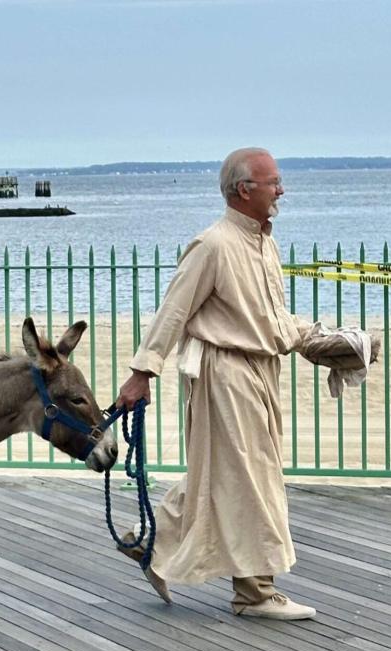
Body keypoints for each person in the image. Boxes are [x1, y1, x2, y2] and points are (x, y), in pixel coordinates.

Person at [116, 147, 316, 620]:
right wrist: (142, 373)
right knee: (251, 477)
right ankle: (254, 592)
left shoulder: (264, 243)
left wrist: (314, 337)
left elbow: (267, 316)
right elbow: (174, 311)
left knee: (226, 471)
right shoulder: (213, 245)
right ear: (244, 189)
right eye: (273, 182)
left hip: (261, 370)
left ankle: (152, 542)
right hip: (225, 375)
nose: (281, 190)